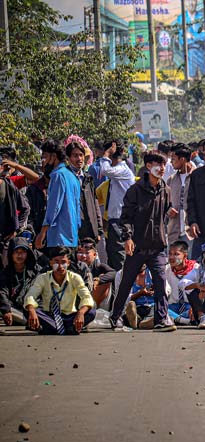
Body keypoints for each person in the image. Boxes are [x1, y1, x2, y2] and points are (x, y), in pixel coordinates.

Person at [108, 150, 175, 332]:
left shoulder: (166, 190)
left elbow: (165, 211)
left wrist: (169, 212)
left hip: (158, 245)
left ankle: (161, 319)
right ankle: (115, 317)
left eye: (163, 165)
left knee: (160, 281)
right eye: (157, 165)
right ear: (148, 166)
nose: (161, 168)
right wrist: (128, 238)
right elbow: (126, 217)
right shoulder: (135, 190)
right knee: (127, 281)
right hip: (137, 246)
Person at [23, 246, 95, 335]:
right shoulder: (43, 278)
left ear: (68, 263)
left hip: (69, 317)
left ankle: (53, 328)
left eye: (63, 262)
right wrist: (31, 310)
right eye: (56, 262)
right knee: (27, 309)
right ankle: (67, 328)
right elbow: (30, 295)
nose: (60, 266)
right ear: (50, 263)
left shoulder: (75, 277)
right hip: (49, 316)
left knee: (91, 311)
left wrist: (80, 312)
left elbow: (86, 297)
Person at [35, 140, 81, 250]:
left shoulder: (58, 176)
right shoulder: (72, 176)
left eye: (45, 157)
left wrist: (42, 233)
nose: (43, 161)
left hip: (59, 237)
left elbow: (53, 207)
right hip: (72, 236)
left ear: (54, 156)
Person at [100, 140, 136, 270]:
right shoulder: (118, 173)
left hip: (121, 221)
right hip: (115, 221)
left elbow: (104, 170)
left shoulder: (122, 170)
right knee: (114, 258)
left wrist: (106, 155)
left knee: (119, 259)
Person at [66, 140, 103, 243]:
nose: (79, 159)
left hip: (90, 231)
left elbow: (95, 204)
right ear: (68, 158)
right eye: (75, 155)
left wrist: (99, 229)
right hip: (72, 232)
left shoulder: (88, 179)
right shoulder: (64, 179)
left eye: (81, 155)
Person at [0, 238, 42, 326]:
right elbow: (2, 292)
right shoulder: (5, 273)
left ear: (28, 254)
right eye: (16, 252)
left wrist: (31, 309)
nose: (20, 255)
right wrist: (6, 310)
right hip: (13, 309)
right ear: (11, 254)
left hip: (33, 309)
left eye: (23, 252)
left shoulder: (36, 271)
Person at [74, 238, 115, 307]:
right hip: (76, 300)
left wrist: (98, 280)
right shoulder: (73, 267)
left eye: (87, 253)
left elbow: (113, 273)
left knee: (104, 277)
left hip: (96, 300)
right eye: (80, 252)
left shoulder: (98, 266)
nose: (83, 256)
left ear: (94, 255)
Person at [166, 144, 194, 245]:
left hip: (192, 231)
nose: (171, 162)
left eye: (173, 159)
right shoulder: (171, 180)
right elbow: (164, 202)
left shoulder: (196, 177)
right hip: (174, 231)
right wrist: (168, 210)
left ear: (182, 159)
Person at [165, 240, 195, 326]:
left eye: (176, 254)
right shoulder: (166, 269)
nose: (171, 257)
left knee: (200, 312)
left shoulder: (196, 269)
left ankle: (174, 319)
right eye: (170, 254)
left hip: (189, 307)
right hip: (173, 307)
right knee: (156, 307)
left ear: (185, 256)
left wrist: (196, 307)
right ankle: (182, 320)